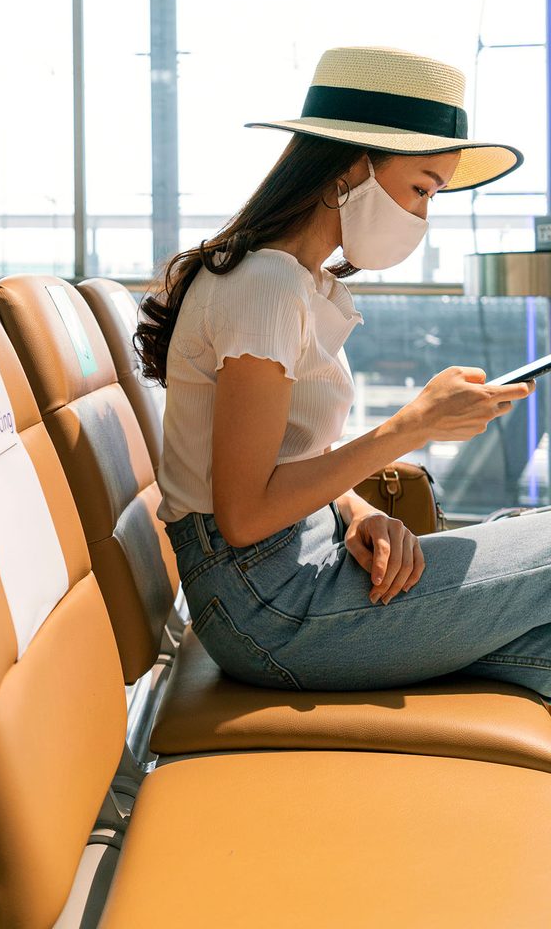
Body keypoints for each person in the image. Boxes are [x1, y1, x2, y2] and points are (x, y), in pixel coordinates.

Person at [136, 45, 551, 698]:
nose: (420, 217)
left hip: (290, 577)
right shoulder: (264, 287)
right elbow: (243, 517)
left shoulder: (294, 282)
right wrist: (413, 426)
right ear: (352, 170)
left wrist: (358, 514)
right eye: (421, 190)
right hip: (271, 608)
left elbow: (291, 465)